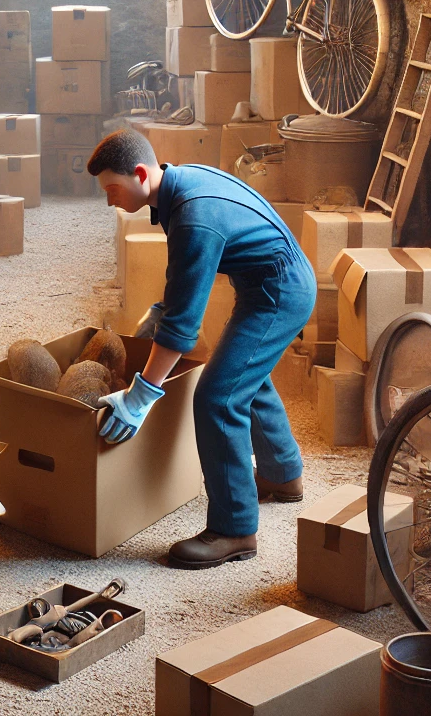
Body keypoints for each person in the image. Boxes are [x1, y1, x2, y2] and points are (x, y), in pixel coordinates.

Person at [87, 127, 315, 568]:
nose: (109, 200)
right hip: (270, 282)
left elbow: (182, 329)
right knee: (243, 372)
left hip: (279, 292)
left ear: (139, 174)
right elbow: (187, 279)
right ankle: (282, 476)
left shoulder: (191, 214)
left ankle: (234, 530)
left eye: (112, 189)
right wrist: (163, 306)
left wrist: (140, 397)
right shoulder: (178, 186)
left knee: (217, 396)